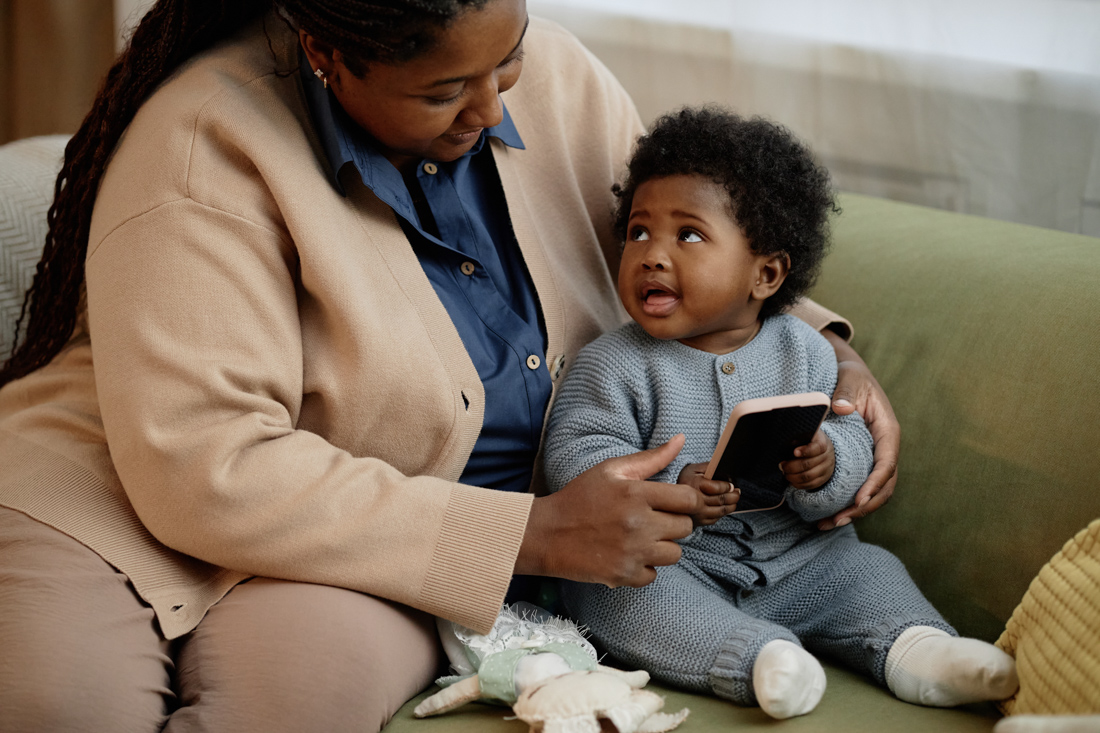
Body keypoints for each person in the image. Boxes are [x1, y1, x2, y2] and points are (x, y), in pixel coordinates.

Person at [0, 2, 898, 731]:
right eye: (443, 92)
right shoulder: (201, 147)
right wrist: (535, 535)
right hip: (112, 492)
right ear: (327, 51)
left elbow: (681, 240)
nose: (494, 106)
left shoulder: (554, 80)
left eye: (505, 60)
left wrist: (826, 350)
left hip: (357, 532)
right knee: (65, 709)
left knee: (293, 701)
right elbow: (203, 464)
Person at [543, 107, 1019, 720]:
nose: (652, 255)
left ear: (765, 273)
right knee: (614, 596)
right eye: (638, 232)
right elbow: (576, 455)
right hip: (680, 564)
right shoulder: (611, 363)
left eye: (687, 235)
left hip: (804, 557)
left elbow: (850, 438)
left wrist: (826, 466)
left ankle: (919, 649)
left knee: (868, 570)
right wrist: (668, 488)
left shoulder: (808, 350)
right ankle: (763, 660)